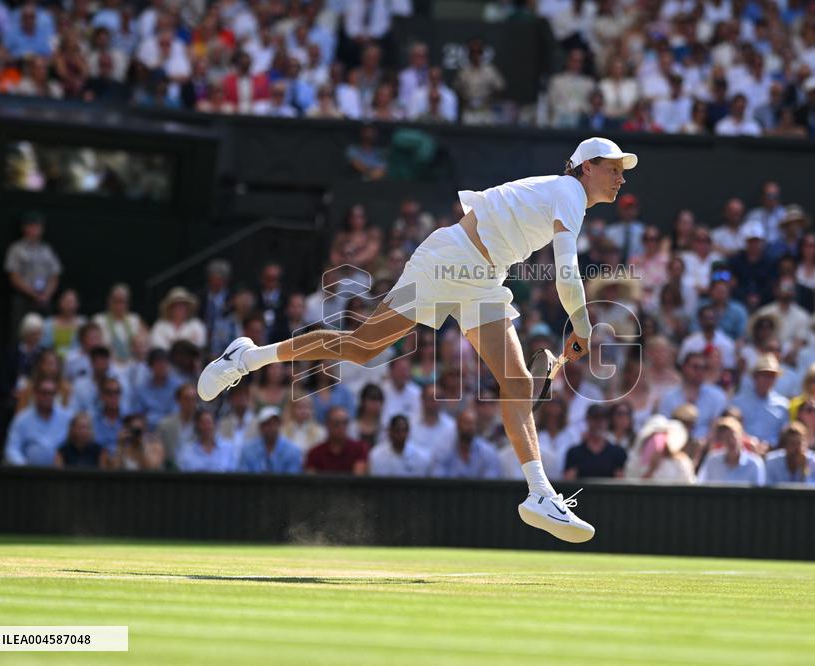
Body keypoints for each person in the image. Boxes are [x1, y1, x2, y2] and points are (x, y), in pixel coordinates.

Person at [198, 137, 639, 543]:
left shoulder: (564, 194)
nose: (621, 178)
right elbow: (565, 272)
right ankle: (248, 357)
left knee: (518, 382)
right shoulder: (568, 192)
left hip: (484, 277)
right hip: (448, 261)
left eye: (623, 170)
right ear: (588, 167)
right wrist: (582, 327)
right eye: (614, 168)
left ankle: (539, 494)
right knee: (363, 346)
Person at [3, 378, 72, 467]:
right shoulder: (22, 419)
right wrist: (23, 465)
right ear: (35, 394)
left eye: (51, 393)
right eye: (44, 393)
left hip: (62, 474)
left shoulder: (67, 418)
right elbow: (12, 448)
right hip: (29, 474)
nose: (47, 397)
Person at [429, 408, 502, 479]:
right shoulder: (443, 451)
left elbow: (491, 484)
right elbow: (437, 481)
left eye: (473, 424)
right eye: (466, 423)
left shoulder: (488, 452)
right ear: (457, 425)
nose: (470, 427)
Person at [563, 404, 627, 480]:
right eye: (595, 418)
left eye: (603, 418)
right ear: (587, 420)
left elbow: (619, 483)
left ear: (608, 421)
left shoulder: (618, 452)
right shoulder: (574, 452)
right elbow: (569, 481)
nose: (599, 423)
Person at [625, 414, 694, 483]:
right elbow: (633, 486)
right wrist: (652, 469)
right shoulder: (635, 460)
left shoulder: (681, 462)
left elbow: (688, 486)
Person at [697, 417, 766, 485]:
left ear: (741, 436)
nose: (730, 441)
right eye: (725, 437)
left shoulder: (755, 464)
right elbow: (701, 484)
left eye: (733, 436)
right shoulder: (712, 460)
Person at [238, 406, 303, 474]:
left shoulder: (293, 451)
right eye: (267, 424)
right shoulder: (248, 450)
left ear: (280, 425)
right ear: (260, 427)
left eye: (275, 424)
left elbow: (293, 480)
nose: (272, 428)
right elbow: (243, 478)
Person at [306, 406, 369, 475]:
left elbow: (358, 480)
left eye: (345, 422)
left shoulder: (359, 449)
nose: (342, 427)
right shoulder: (315, 453)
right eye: (337, 423)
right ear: (327, 425)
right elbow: (311, 481)